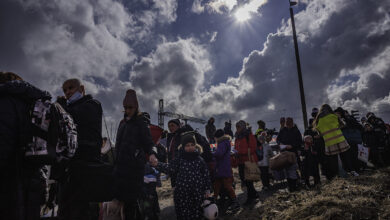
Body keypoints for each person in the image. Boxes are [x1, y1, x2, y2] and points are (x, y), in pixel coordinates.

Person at [0, 72, 50, 220]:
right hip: (35, 179)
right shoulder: (36, 104)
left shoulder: (4, 102)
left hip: (10, 184)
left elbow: (3, 147)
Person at [57, 78, 103, 220]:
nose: (68, 92)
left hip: (87, 167)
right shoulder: (66, 107)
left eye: (71, 88)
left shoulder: (92, 105)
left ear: (81, 89)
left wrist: (61, 107)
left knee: (83, 210)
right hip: (70, 167)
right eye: (65, 90)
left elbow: (75, 115)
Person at [113, 89, 157, 220]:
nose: (127, 110)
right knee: (122, 203)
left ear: (136, 107)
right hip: (120, 170)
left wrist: (152, 154)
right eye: (125, 107)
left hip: (134, 171)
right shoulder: (122, 124)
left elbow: (149, 143)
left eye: (130, 107)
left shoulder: (141, 124)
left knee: (132, 203)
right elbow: (118, 146)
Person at [152, 133, 211, 220]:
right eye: (187, 145)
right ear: (183, 146)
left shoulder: (200, 160)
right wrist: (157, 164)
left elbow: (205, 175)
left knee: (196, 215)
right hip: (182, 194)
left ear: (195, 145)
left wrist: (207, 189)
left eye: (192, 145)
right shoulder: (179, 158)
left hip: (197, 194)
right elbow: (170, 168)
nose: (190, 147)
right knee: (183, 215)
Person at [313, 104, 353, 180]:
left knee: (333, 161)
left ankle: (337, 176)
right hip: (340, 139)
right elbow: (343, 125)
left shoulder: (318, 120)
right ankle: (350, 172)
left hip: (329, 142)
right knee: (345, 157)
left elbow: (320, 133)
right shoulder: (334, 116)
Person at [212, 129, 240, 212]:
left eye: (215, 138)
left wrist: (212, 154)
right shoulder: (225, 142)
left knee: (226, 186)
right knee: (218, 185)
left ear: (217, 137)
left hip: (222, 168)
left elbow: (219, 154)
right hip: (223, 167)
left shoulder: (222, 143)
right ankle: (215, 200)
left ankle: (235, 201)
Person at [234, 120, 258, 205]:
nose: (237, 128)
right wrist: (235, 152)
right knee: (244, 179)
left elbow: (253, 148)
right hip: (241, 161)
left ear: (243, 127)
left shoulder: (249, 135)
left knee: (248, 180)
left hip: (248, 160)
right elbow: (236, 147)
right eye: (236, 127)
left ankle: (251, 198)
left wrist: (240, 152)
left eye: (238, 127)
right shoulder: (237, 136)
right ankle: (254, 194)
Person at [276, 117, 302, 191]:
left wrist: (292, 145)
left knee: (293, 170)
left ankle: (294, 186)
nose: (288, 125)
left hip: (293, 153)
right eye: (287, 124)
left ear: (292, 123)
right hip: (284, 153)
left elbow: (299, 141)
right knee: (286, 170)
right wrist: (280, 143)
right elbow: (278, 139)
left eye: (289, 124)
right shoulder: (282, 130)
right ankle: (290, 186)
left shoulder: (296, 131)